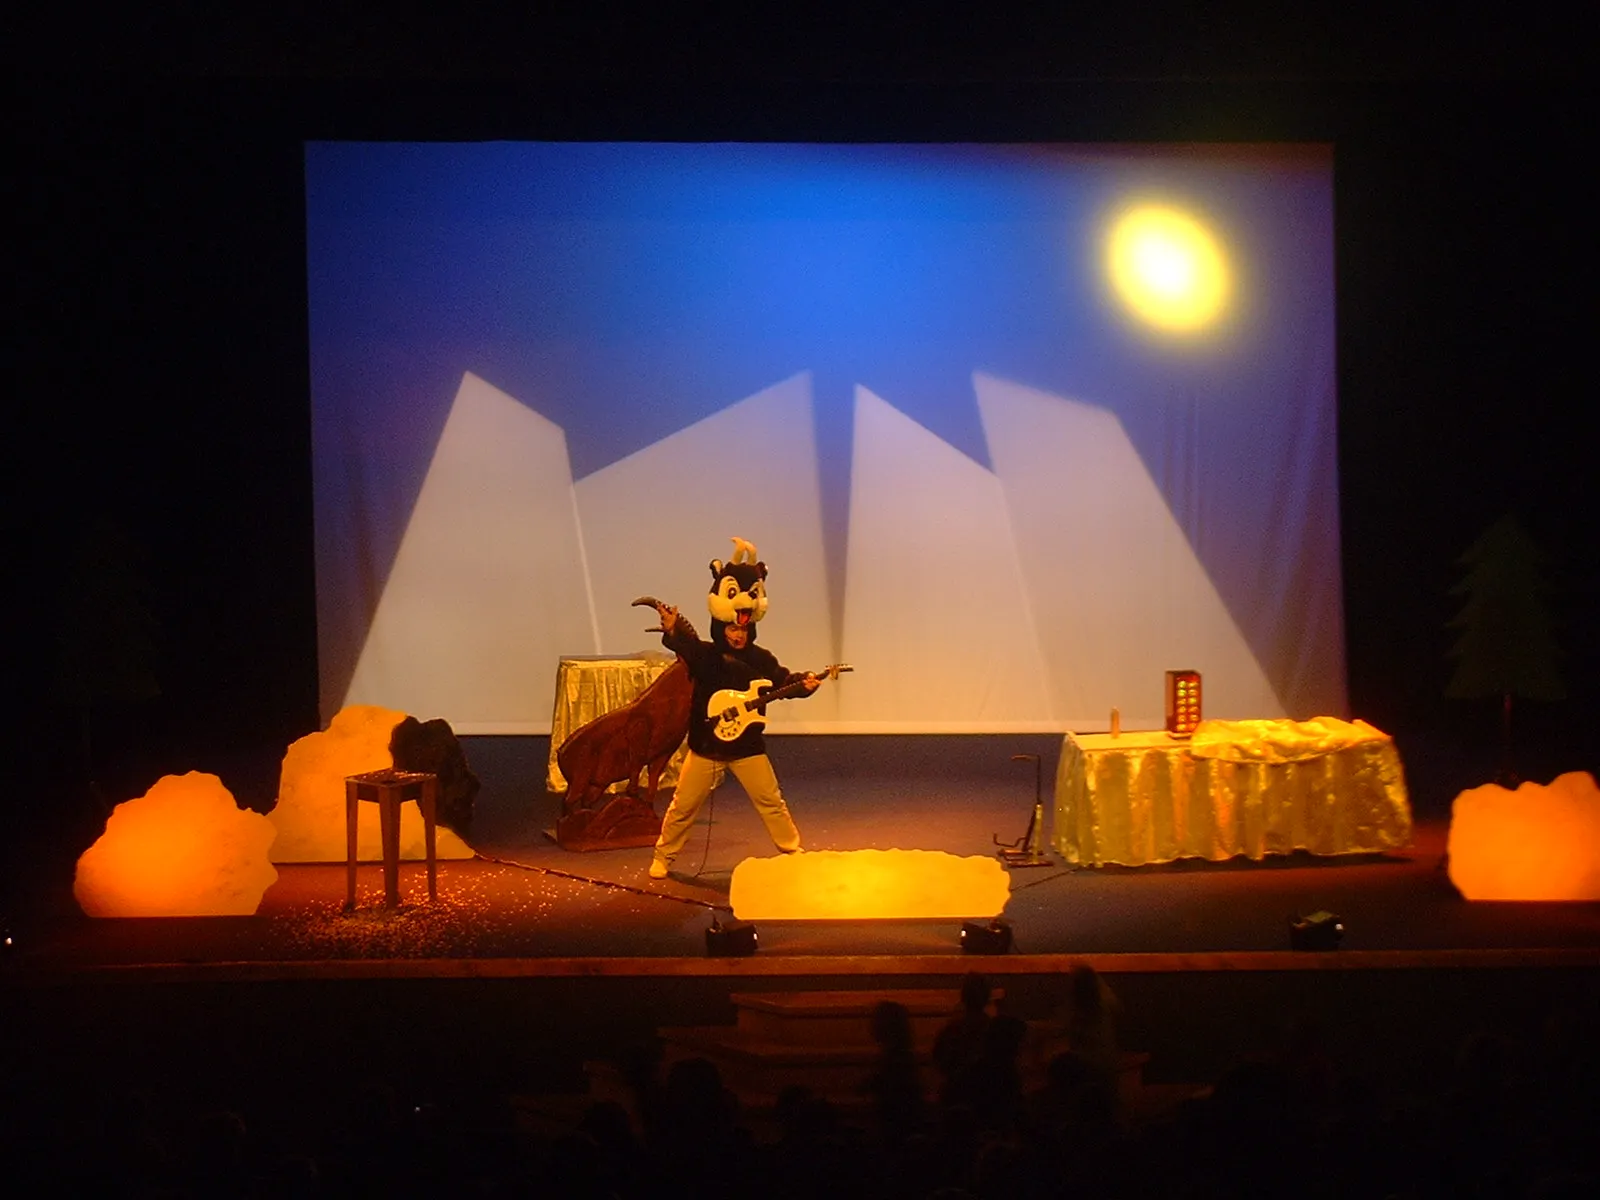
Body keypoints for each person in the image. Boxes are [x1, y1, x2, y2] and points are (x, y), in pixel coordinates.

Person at [647, 539, 818, 879]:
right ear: (722, 626)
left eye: (742, 629)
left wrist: (805, 684)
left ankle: (791, 849)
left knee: (771, 801)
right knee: (683, 806)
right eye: (732, 629)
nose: (738, 635)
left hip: (746, 747)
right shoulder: (706, 655)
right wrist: (672, 629)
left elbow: (783, 682)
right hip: (707, 746)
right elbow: (686, 646)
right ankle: (663, 857)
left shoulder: (761, 658)